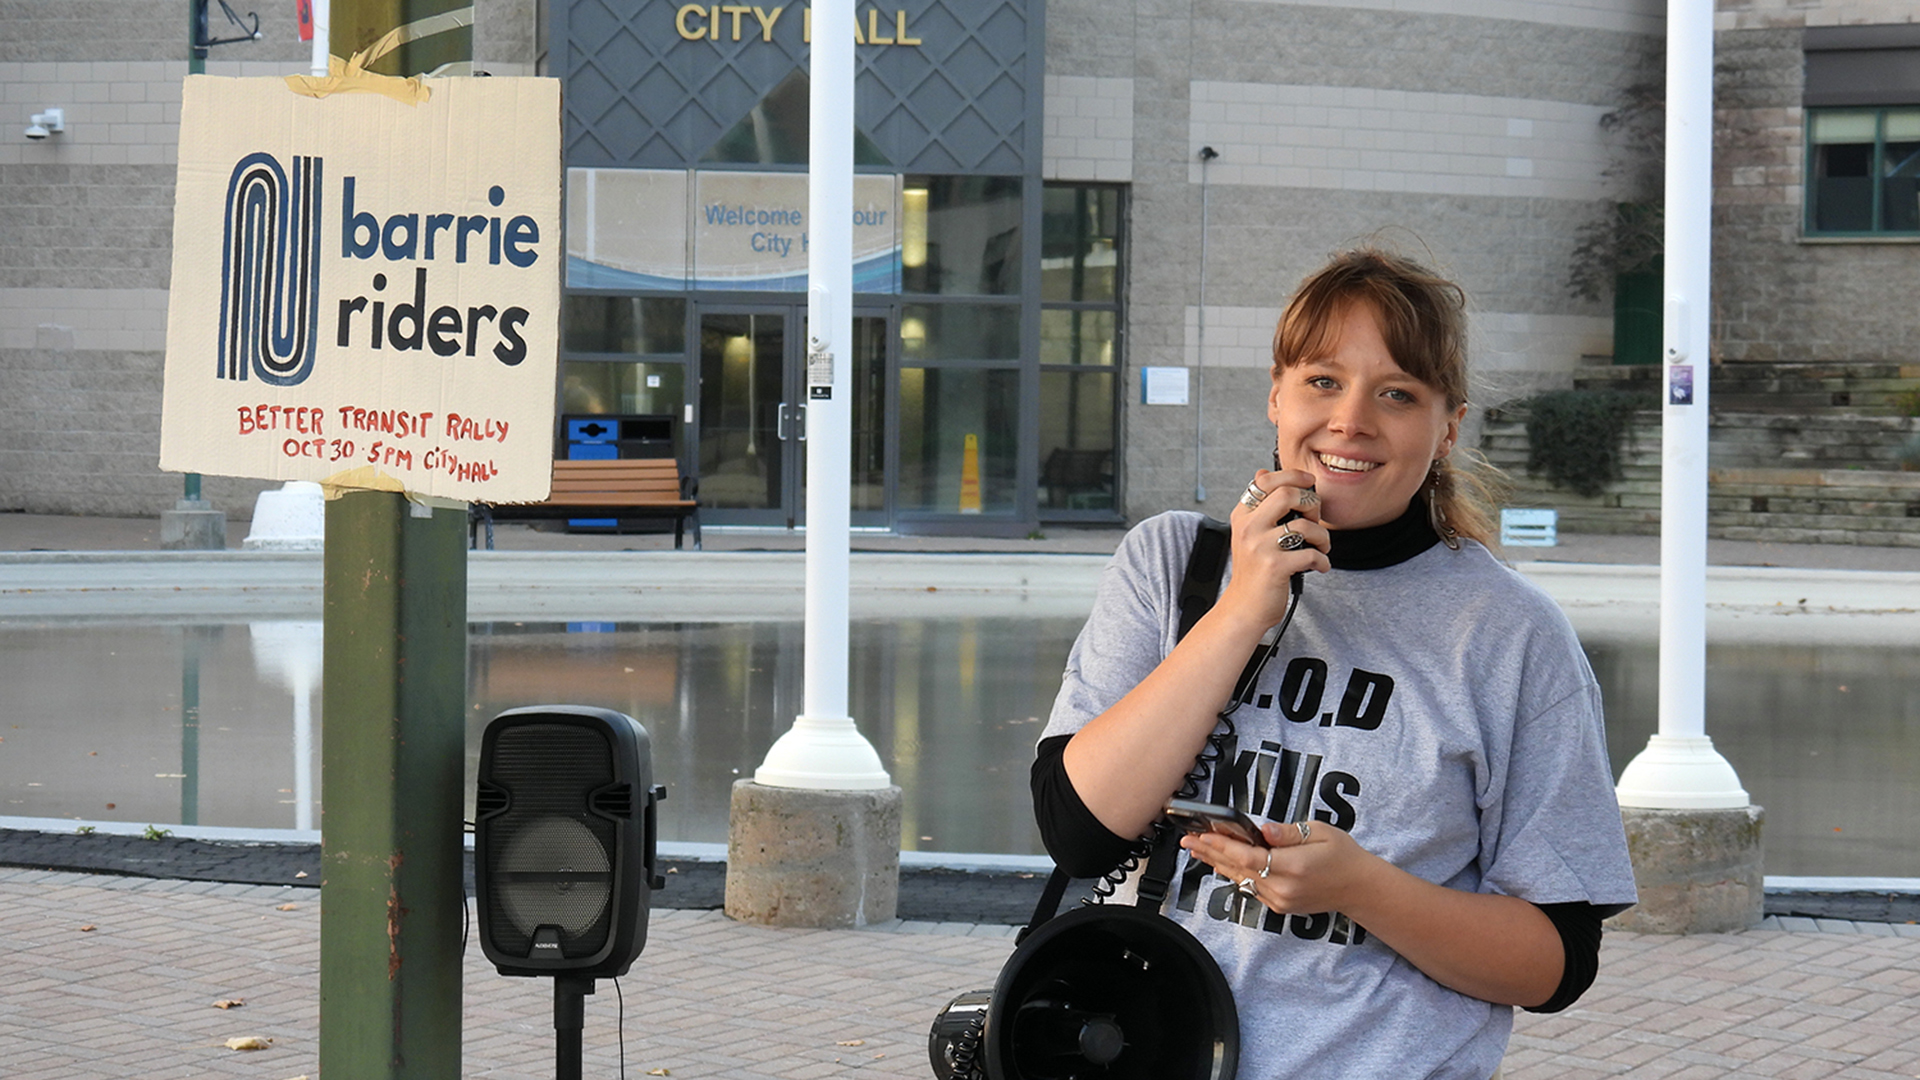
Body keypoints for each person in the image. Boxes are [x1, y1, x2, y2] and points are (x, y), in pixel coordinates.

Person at [1031, 248, 1637, 1079]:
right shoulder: (1172, 565)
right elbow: (1079, 833)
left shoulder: (1509, 635)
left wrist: (1361, 887)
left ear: (1448, 425)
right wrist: (1242, 610)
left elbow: (1557, 964)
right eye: (1323, 381)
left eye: (1397, 393)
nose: (1352, 419)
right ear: (1276, 393)